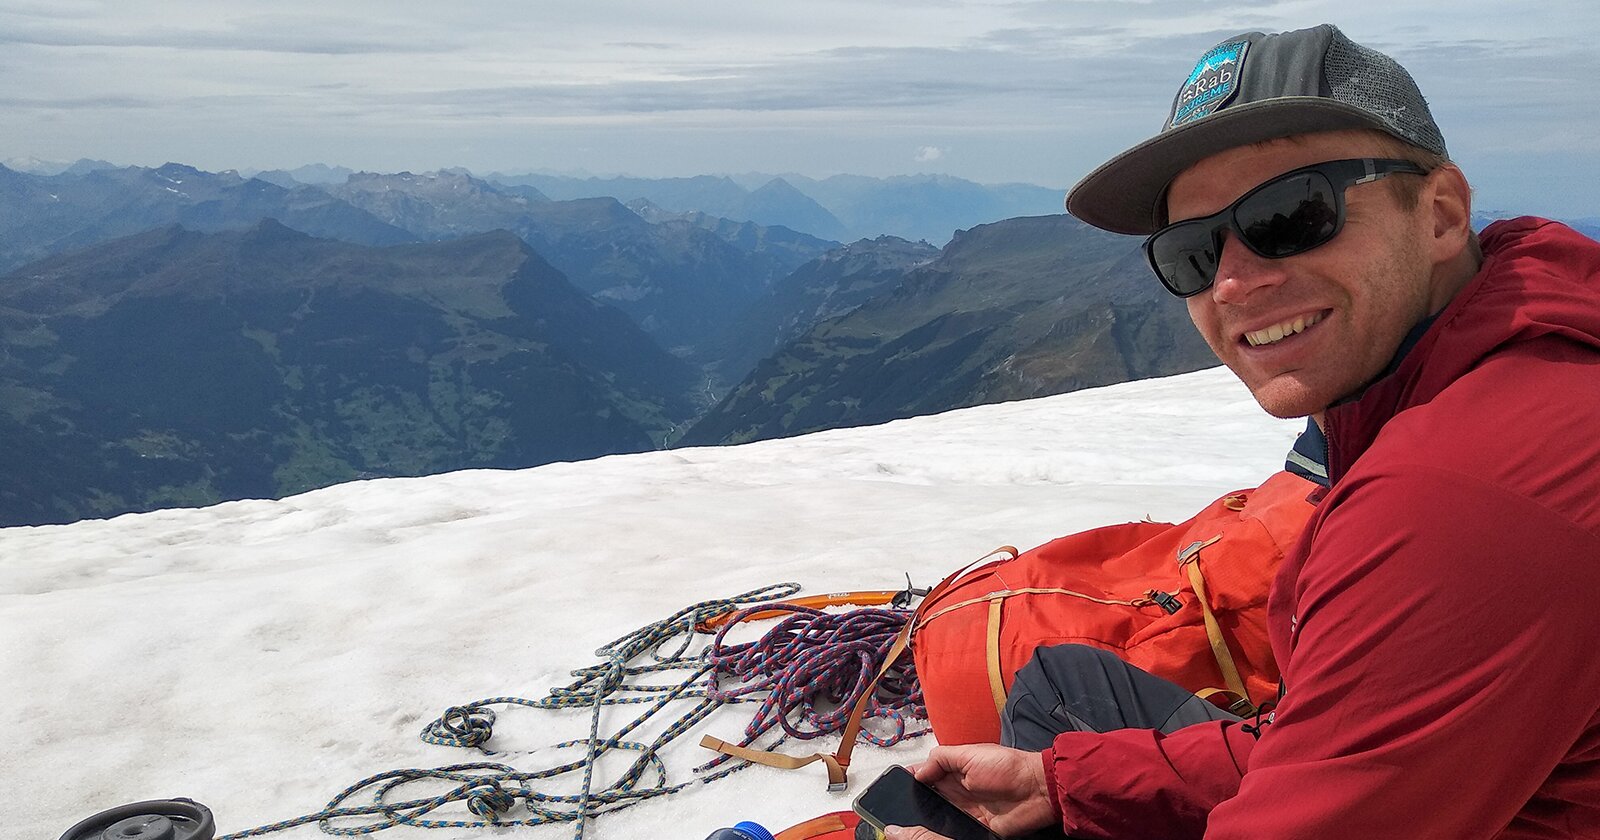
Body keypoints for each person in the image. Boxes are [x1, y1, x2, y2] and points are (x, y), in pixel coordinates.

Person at [883, 23, 1600, 840]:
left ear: (1438, 215)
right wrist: (1064, 785)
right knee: (1063, 691)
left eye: (1290, 213)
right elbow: (1335, 750)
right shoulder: (1520, 355)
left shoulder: (1455, 501)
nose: (1230, 282)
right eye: (1190, 253)